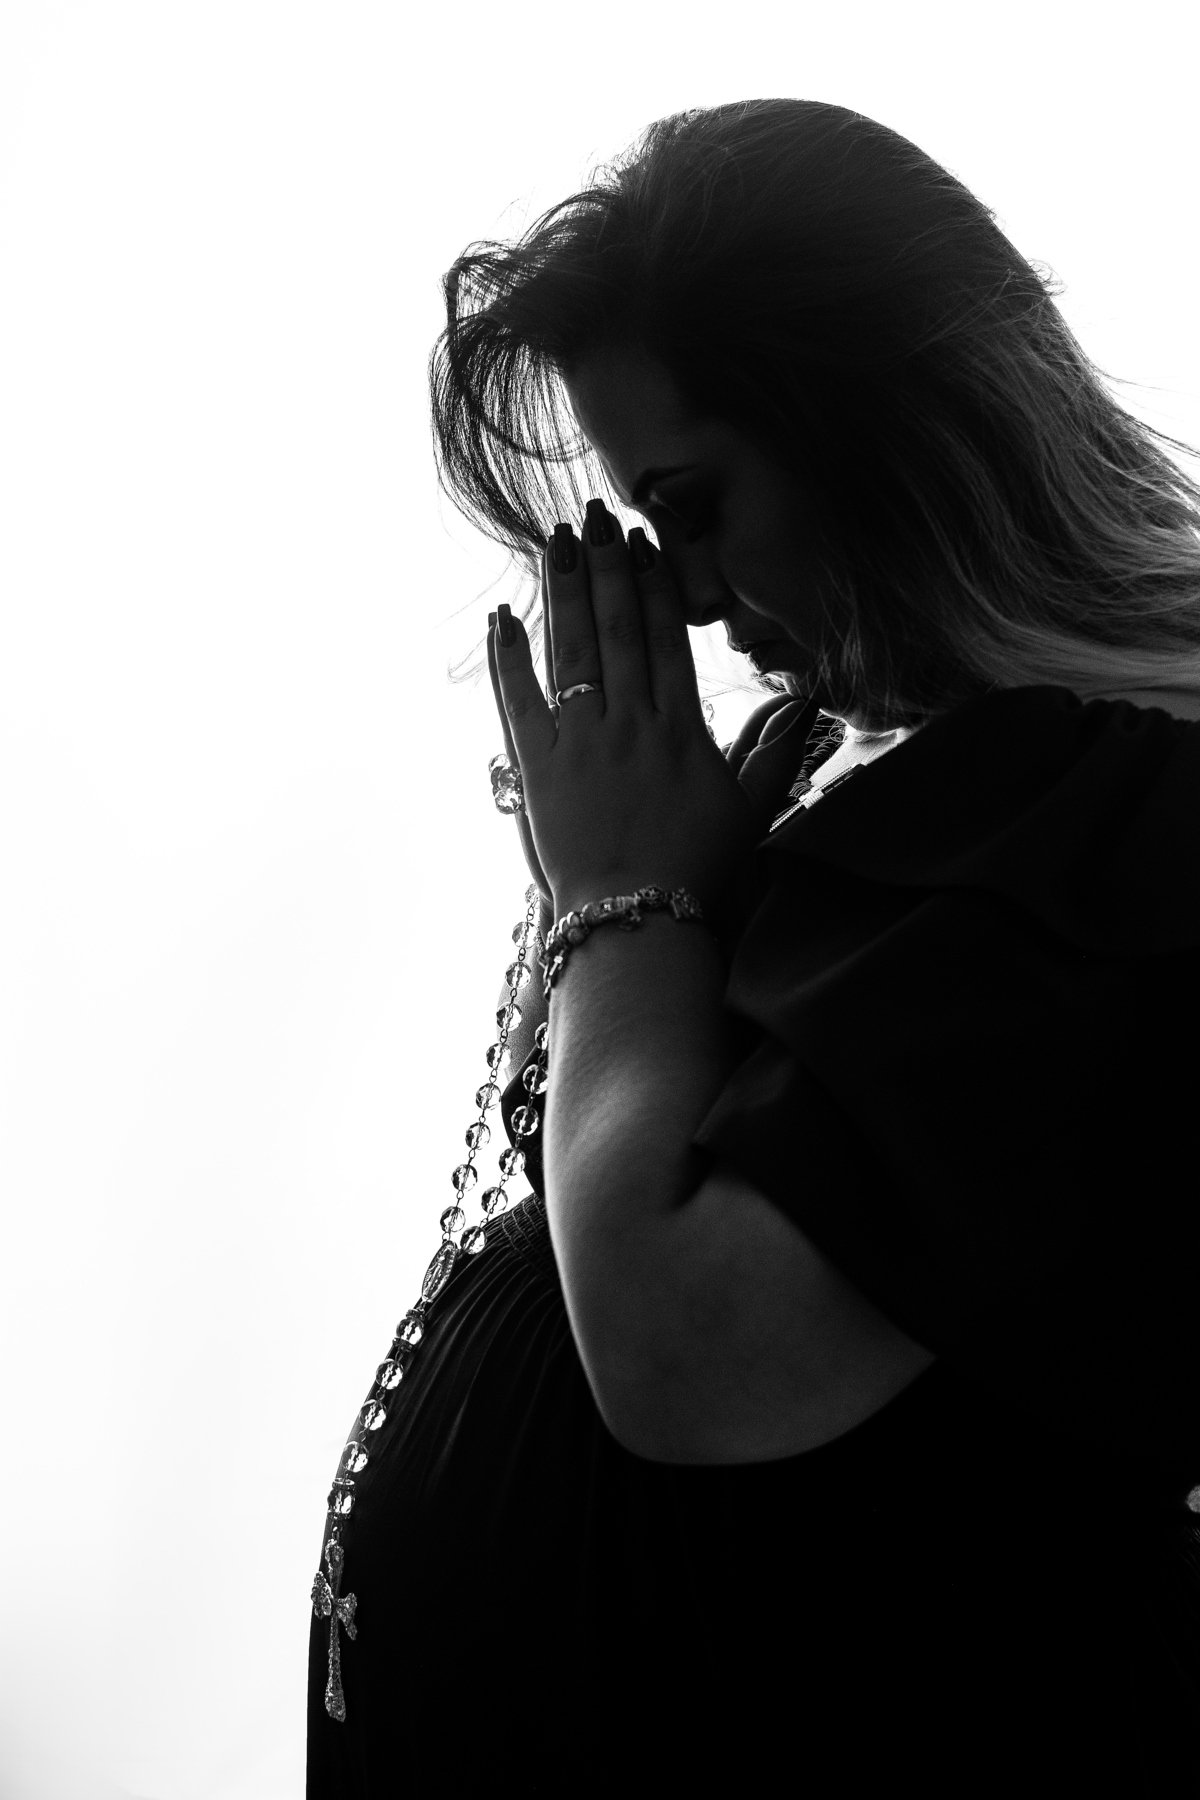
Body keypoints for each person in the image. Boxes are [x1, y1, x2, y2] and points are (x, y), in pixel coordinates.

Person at [307, 99, 1200, 1792]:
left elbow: (692, 1347)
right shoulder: (846, 766)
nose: (696, 598)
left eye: (695, 503)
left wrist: (623, 900)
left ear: (889, 431)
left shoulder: (1123, 810)